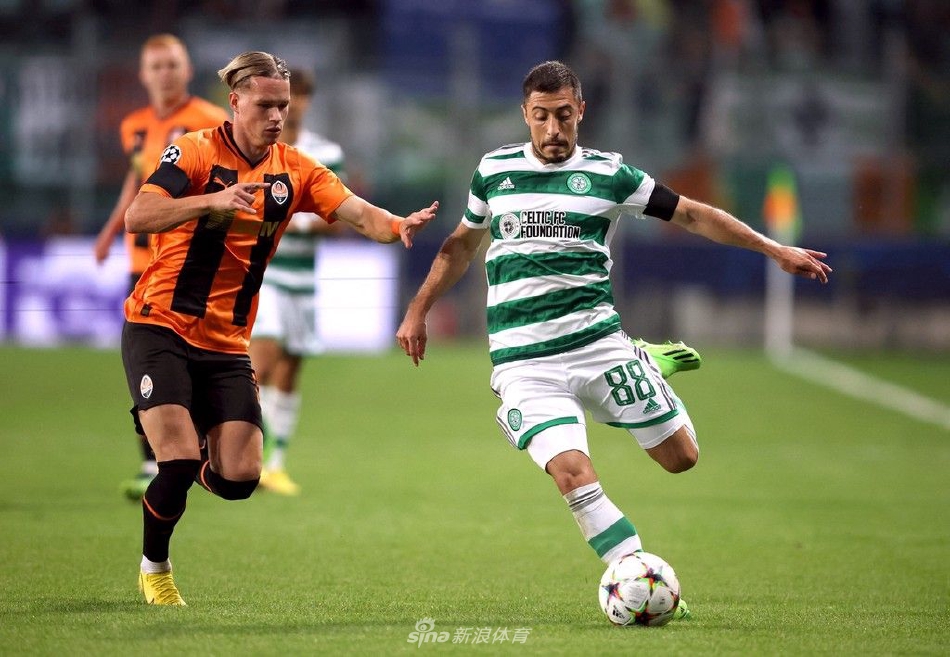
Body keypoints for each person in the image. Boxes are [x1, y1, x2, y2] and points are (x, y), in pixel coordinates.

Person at [396, 60, 831, 619]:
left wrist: (774, 249)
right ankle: (642, 583)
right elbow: (461, 244)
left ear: (581, 111)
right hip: (523, 362)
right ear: (525, 115)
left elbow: (692, 216)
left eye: (563, 115)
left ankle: (643, 359)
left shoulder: (610, 174)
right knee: (572, 474)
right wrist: (418, 311)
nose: (553, 129)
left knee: (682, 458)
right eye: (541, 116)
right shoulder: (494, 170)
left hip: (598, 346)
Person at [122, 51, 438, 605]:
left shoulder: (296, 169)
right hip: (160, 325)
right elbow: (138, 217)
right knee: (175, 461)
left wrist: (397, 225)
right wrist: (211, 201)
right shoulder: (193, 150)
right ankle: (156, 569)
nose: (276, 116)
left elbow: (358, 212)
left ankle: (190, 458)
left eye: (283, 106)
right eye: (265, 105)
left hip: (226, 343)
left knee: (241, 479)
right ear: (235, 101)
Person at [93, 34, 230, 501]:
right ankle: (151, 461)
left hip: (187, 262)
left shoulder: (211, 121)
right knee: (145, 359)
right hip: (142, 261)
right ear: (143, 74)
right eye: (157, 66)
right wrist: (111, 229)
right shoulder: (133, 125)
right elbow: (138, 179)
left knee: (197, 356)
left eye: (173, 64)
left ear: (188, 70)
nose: (165, 73)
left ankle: (208, 444)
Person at [248, 69, 345, 496]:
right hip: (264, 272)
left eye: (298, 98)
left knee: (289, 370)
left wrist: (290, 219)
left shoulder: (325, 153)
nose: (291, 107)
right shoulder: (256, 148)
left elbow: (336, 214)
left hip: (302, 278)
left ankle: (275, 465)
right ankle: (241, 454)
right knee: (260, 363)